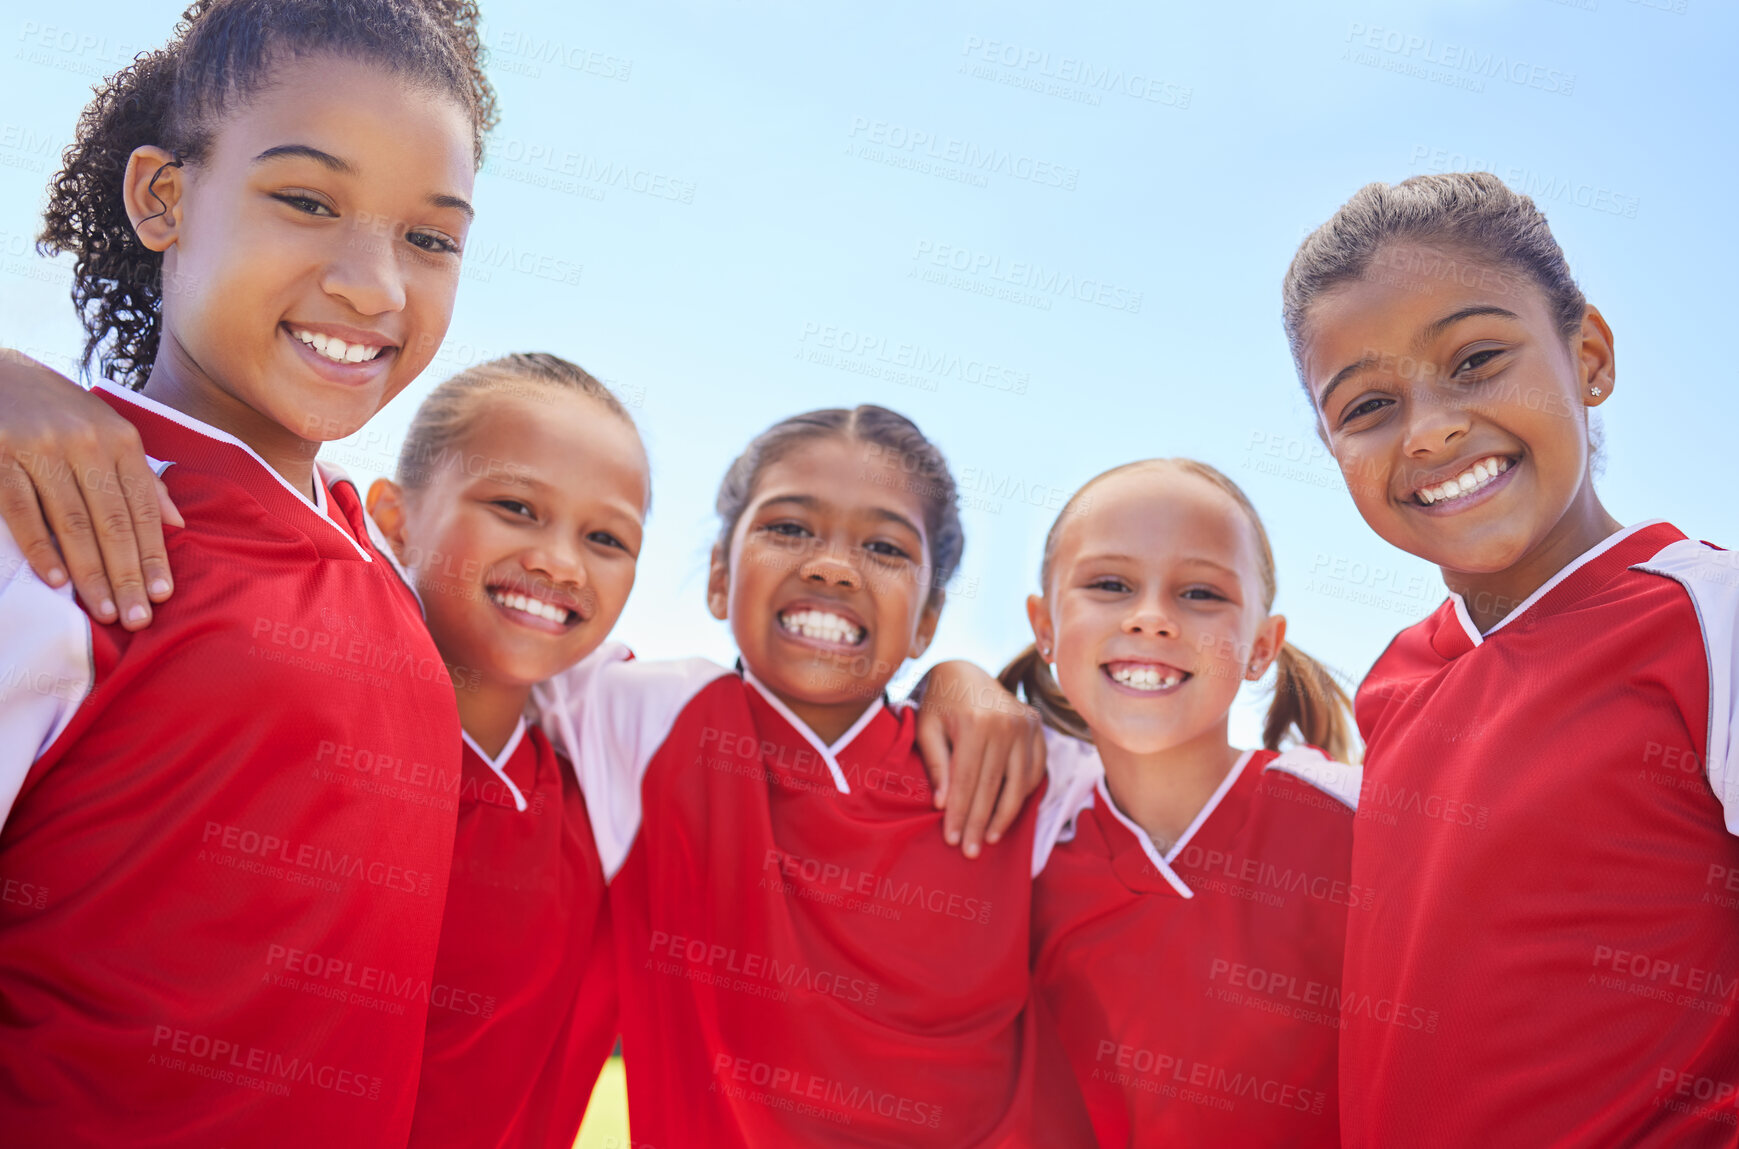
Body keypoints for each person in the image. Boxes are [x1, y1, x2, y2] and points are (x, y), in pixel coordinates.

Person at [0, 0, 497, 1143]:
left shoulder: (382, 566)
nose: (376, 287)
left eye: (430, 237)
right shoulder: (55, 524)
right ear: (163, 200)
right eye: (308, 202)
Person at [1283, 171, 1739, 1146]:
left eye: (1476, 358)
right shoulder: (1395, 680)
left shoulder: (1709, 616)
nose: (1430, 427)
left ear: (1588, 357)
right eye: (1365, 407)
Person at [533, 405, 1098, 1147]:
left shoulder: (1024, 774)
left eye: (884, 546)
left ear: (927, 619)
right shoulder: (639, 721)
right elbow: (452, 619)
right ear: (718, 576)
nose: (832, 565)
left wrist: (964, 681)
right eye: (789, 528)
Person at [1005, 458, 1359, 1147]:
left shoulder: (1357, 826)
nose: (1151, 617)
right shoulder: (1015, 837)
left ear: (1262, 646)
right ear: (1043, 627)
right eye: (1109, 584)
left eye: (1200, 592)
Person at [361, 353, 645, 1148]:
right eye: (516, 505)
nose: (560, 560)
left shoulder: (604, 785)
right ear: (394, 515)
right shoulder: (312, 720)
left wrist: (960, 685)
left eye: (606, 537)